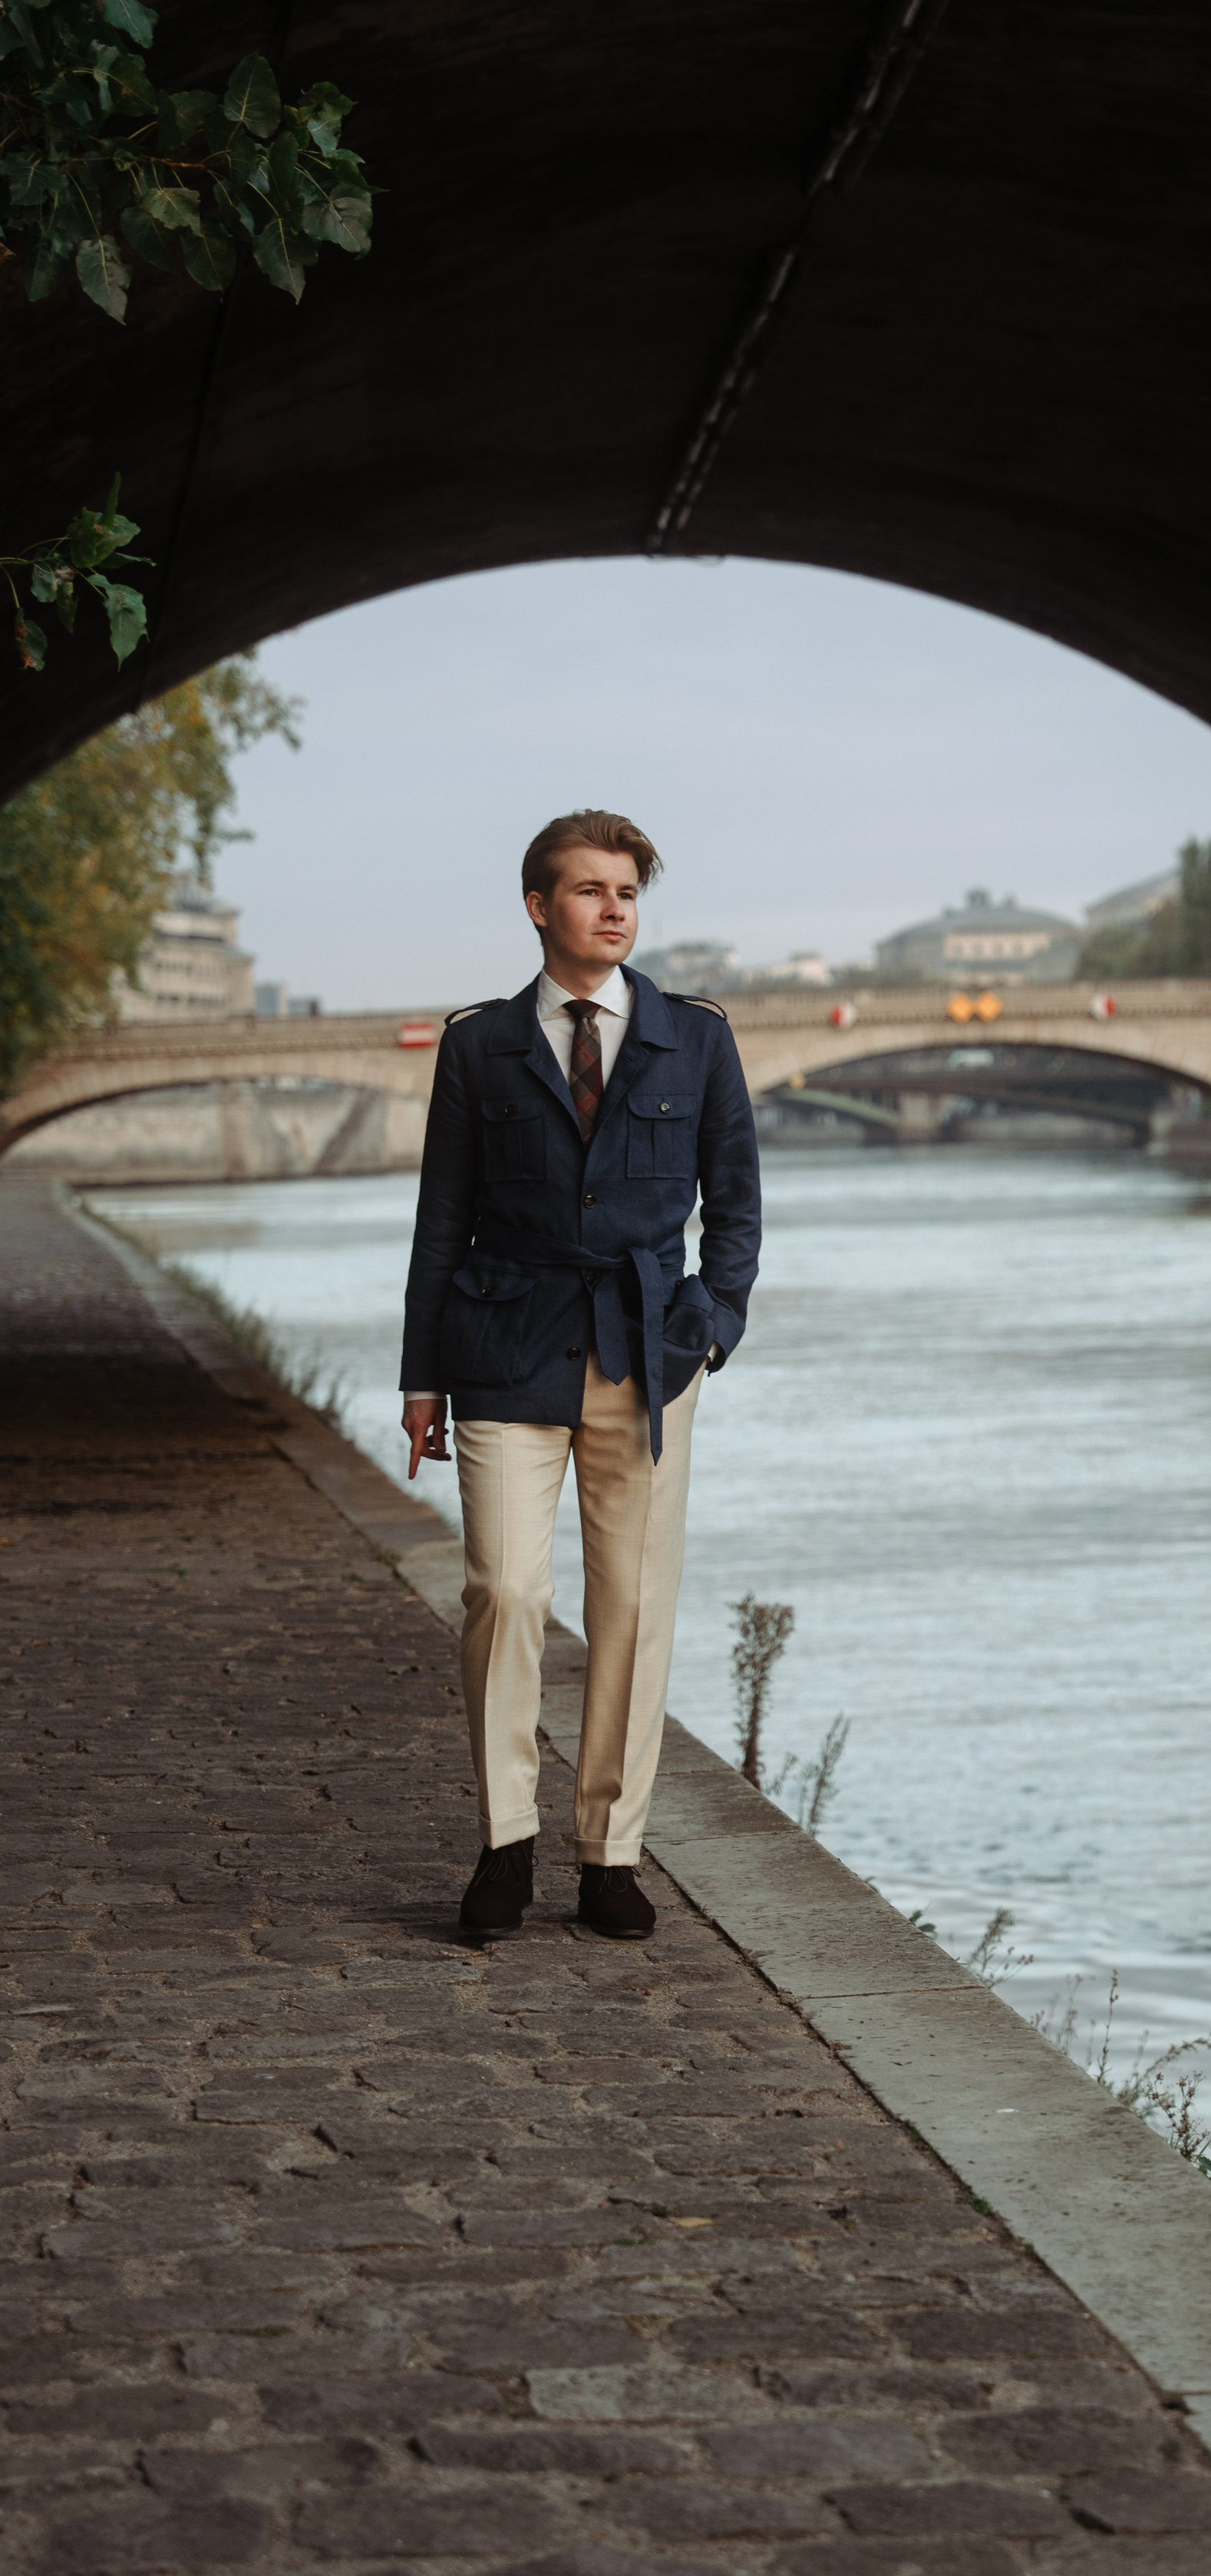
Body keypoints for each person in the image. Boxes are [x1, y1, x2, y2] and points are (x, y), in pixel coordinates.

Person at [398, 808, 761, 1939]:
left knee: (633, 1610)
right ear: (539, 906)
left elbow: (736, 1203)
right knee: (505, 1592)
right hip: (506, 1347)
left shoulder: (694, 1039)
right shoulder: (480, 1045)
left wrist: (712, 1325)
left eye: (629, 894)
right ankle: (505, 1843)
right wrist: (422, 1378)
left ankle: (611, 1853)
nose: (616, 910)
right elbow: (442, 1218)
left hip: (648, 1355)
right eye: (593, 890)